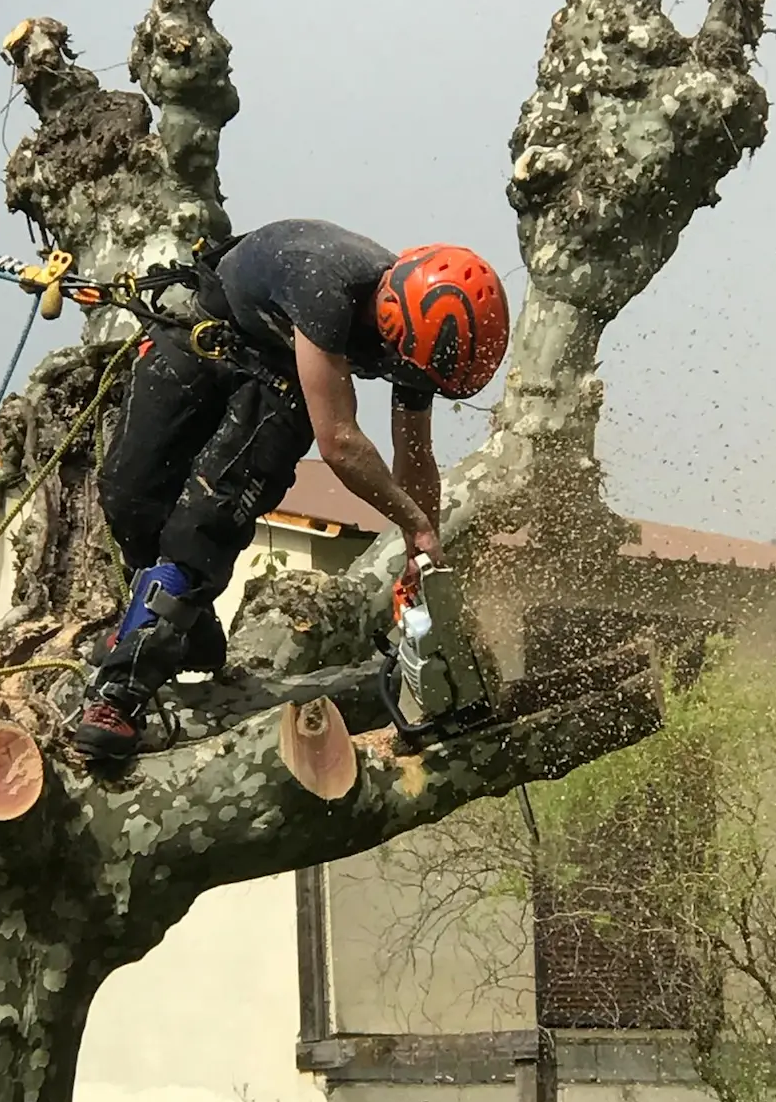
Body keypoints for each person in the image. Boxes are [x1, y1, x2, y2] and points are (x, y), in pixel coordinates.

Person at [73, 218, 510, 760]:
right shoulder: (326, 286)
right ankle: (185, 631)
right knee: (127, 492)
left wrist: (425, 550)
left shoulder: (416, 341)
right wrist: (413, 523)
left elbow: (415, 457)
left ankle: (118, 694)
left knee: (204, 524)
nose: (407, 378)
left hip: (284, 385)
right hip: (203, 332)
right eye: (407, 367)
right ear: (395, 316)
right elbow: (341, 443)